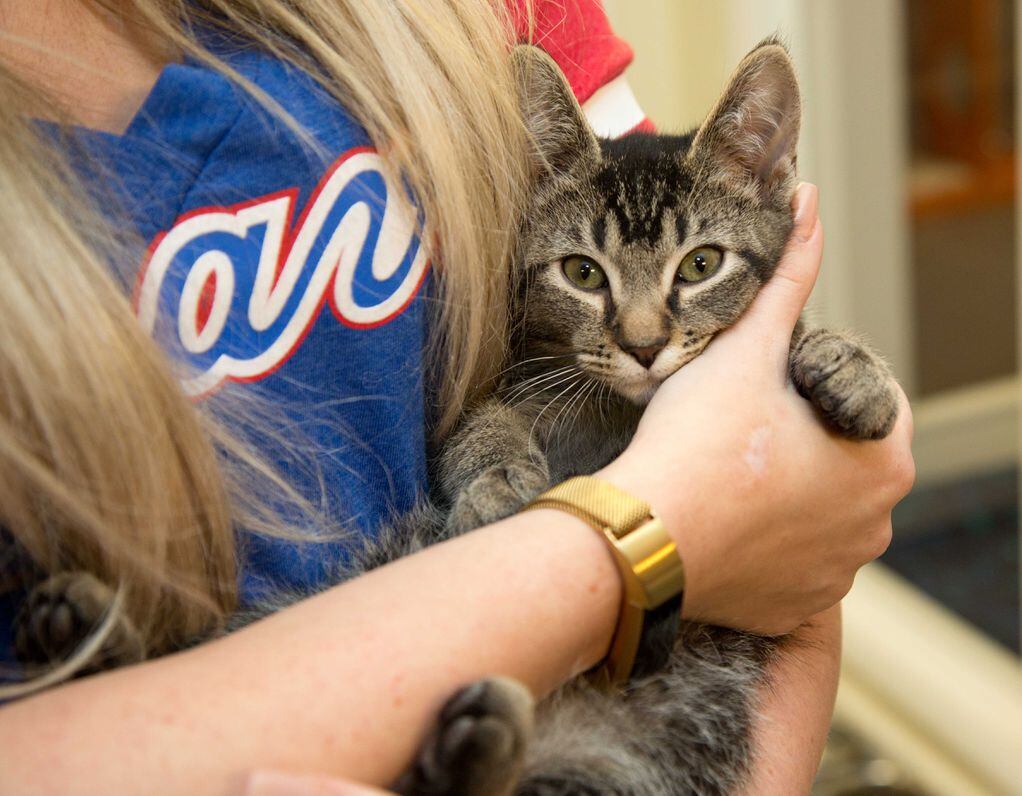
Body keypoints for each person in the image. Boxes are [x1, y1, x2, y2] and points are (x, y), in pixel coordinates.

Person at [0, 1, 914, 793]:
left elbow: (795, 545)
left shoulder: (496, 27)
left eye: (695, 270)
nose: (641, 335)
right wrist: (655, 527)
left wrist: (807, 374)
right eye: (591, 277)